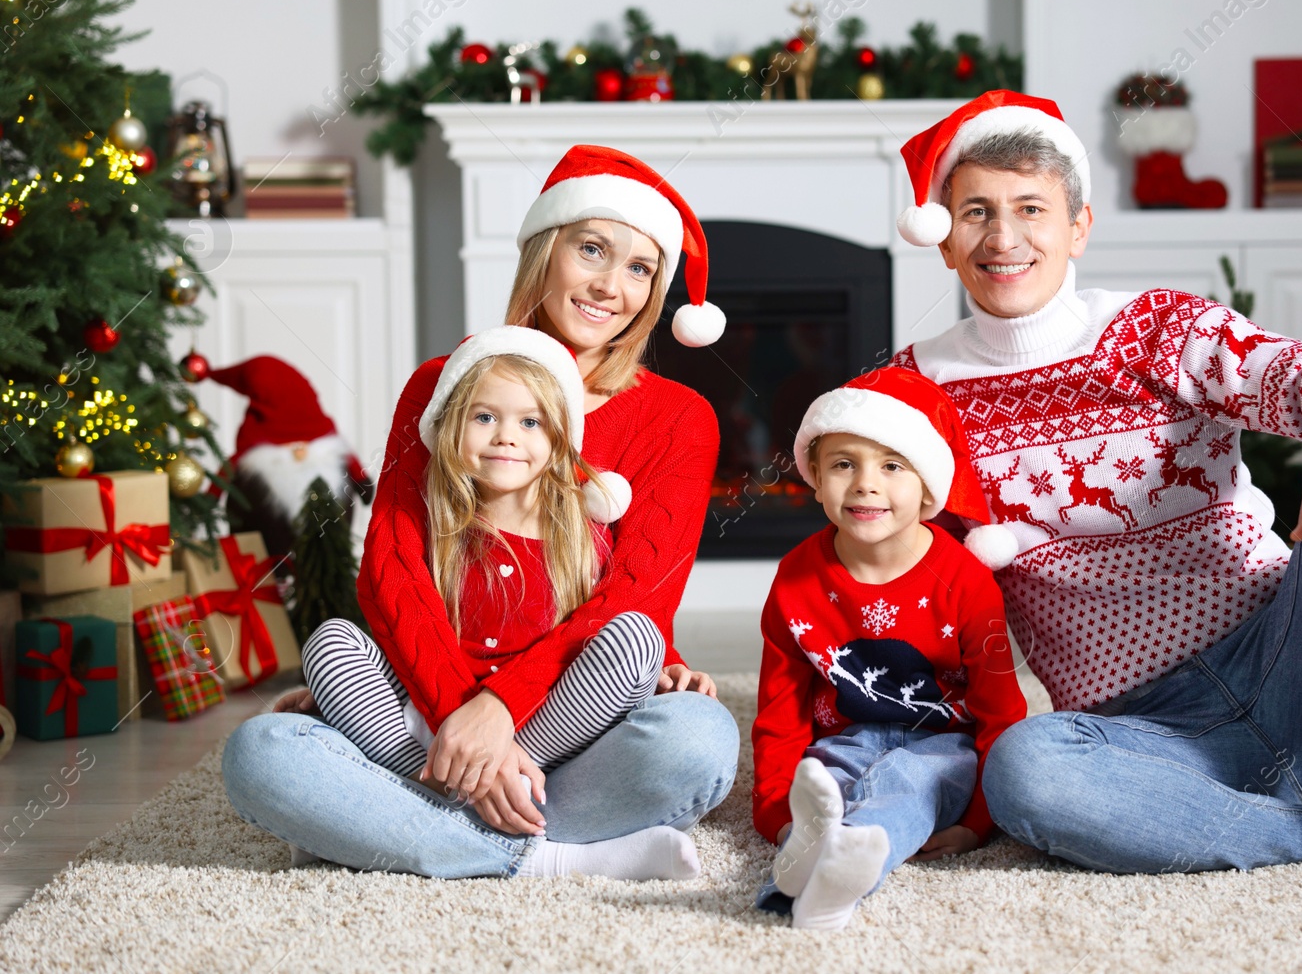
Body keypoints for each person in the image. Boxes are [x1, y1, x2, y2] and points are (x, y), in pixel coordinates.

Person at [888, 90, 1302, 923]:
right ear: (943, 235)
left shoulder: (1154, 328)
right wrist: (925, 783)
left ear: (1078, 226)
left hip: (1298, 660)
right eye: (975, 210)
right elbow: (907, 596)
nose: (1003, 237)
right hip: (1141, 738)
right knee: (1025, 772)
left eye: (1030, 209)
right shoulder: (915, 392)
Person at [222, 146, 740, 878]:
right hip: (430, 708)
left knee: (699, 742)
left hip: (573, 718)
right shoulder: (444, 385)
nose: (609, 285)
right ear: (543, 251)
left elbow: (637, 600)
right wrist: (457, 718)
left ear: (658, 291)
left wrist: (500, 711)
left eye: (640, 267)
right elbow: (392, 569)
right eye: (591, 248)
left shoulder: (681, 417)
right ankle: (547, 854)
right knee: (259, 754)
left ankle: (394, 823)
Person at [751, 367, 1028, 931]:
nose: (864, 484)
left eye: (892, 465)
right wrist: (779, 815)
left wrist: (978, 823)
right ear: (814, 476)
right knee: (827, 781)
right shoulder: (797, 577)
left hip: (943, 747)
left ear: (928, 487)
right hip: (846, 737)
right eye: (843, 463)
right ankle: (805, 860)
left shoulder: (967, 583)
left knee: (907, 784)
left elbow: (1002, 712)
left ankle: (846, 864)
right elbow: (780, 710)